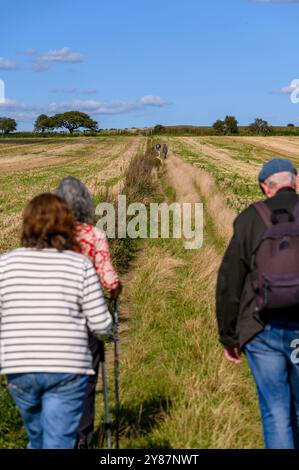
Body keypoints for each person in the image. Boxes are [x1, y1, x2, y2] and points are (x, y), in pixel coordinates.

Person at [0, 193, 112, 449]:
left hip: (20, 367)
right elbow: (100, 324)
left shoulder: (5, 265)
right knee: (58, 442)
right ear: (66, 225)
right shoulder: (79, 265)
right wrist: (109, 330)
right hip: (67, 367)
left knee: (37, 439)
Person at [216, 158, 299, 449]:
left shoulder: (250, 219)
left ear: (265, 187)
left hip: (261, 329)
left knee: (277, 414)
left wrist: (229, 336)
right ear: (296, 181)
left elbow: (229, 281)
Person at [56, 176, 122, 448]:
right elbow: (109, 280)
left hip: (51, 319)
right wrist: (115, 290)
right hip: (85, 320)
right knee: (85, 382)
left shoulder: (49, 235)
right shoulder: (94, 236)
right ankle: (83, 437)